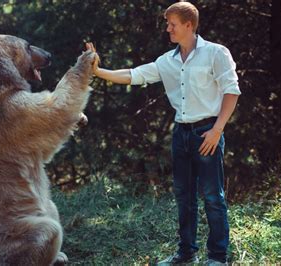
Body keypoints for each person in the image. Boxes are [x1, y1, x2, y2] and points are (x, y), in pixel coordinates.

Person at [86, 1, 240, 265]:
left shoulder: (216, 53)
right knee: (184, 197)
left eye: (172, 24)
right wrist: (98, 71)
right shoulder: (165, 62)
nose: (168, 29)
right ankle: (186, 253)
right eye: (168, 24)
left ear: (188, 25)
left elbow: (231, 91)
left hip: (207, 133)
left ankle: (217, 257)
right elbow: (133, 75)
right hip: (181, 135)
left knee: (213, 197)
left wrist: (217, 130)